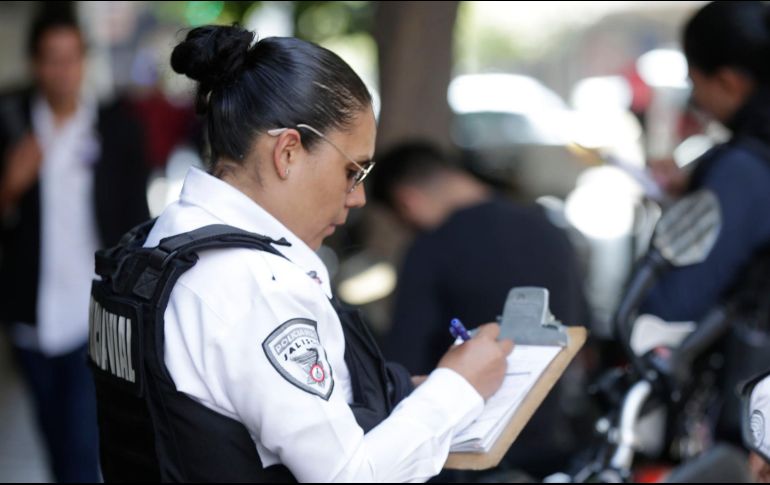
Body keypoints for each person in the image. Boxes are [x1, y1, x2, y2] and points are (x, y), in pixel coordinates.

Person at [90, 25, 514, 483]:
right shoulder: (254, 287)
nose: (358, 197)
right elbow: (350, 475)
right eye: (352, 170)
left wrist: (416, 390)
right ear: (288, 151)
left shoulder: (158, 246)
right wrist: (459, 387)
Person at [370, 142, 589, 477]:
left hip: (466, 455)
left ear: (407, 200)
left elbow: (405, 355)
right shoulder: (551, 231)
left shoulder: (432, 248)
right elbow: (581, 327)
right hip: (550, 445)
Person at [0, 7, 150, 483]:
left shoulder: (115, 127)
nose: (62, 70)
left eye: (72, 57)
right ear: (35, 63)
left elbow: (137, 222)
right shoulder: (11, 124)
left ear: (85, 60)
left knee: (84, 450)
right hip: (30, 317)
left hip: (93, 315)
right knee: (55, 444)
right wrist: (10, 184)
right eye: (51, 58)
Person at [640, 0, 770, 442]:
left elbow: (674, 304)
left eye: (695, 84)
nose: (696, 101)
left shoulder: (744, 168)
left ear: (730, 81)